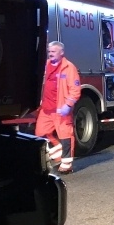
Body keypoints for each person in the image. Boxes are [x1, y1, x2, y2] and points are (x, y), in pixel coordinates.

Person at [35, 41, 81, 174]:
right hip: (46, 109)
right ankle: (59, 153)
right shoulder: (45, 65)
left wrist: (68, 105)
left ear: (61, 53)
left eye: (53, 51)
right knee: (40, 134)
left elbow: (75, 89)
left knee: (66, 136)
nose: (50, 54)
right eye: (49, 51)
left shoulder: (69, 68)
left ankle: (66, 165)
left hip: (61, 110)